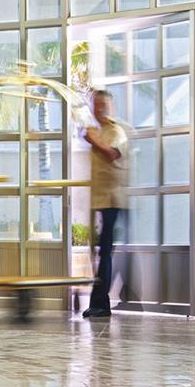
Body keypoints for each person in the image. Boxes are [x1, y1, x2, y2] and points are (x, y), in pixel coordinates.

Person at [83, 90, 128, 318]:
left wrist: (93, 140)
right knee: (100, 252)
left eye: (103, 104)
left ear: (111, 106)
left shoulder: (115, 131)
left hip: (112, 200)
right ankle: (99, 302)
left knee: (105, 252)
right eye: (96, 104)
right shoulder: (98, 130)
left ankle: (101, 304)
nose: (99, 109)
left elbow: (112, 154)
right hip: (99, 199)